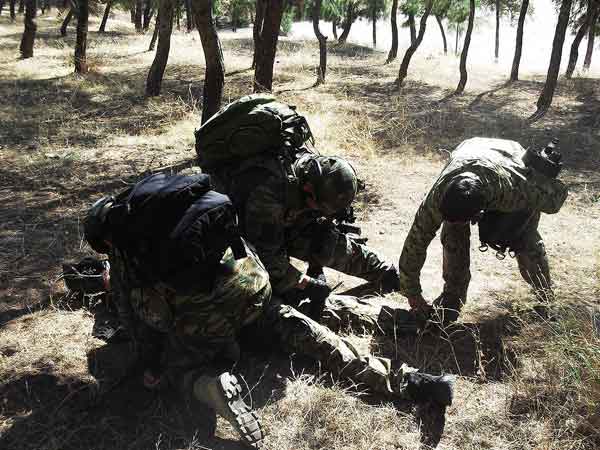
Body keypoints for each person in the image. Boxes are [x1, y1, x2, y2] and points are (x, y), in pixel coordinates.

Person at [73, 174, 455, 449]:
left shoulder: (126, 246)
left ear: (104, 238)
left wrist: (150, 362)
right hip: (253, 291)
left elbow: (135, 320)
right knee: (310, 333)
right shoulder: (174, 200)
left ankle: (210, 385)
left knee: (177, 367)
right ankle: (412, 379)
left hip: (207, 323)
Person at [398, 137, 569, 323]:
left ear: (479, 214)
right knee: (453, 234)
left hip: (508, 157)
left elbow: (557, 198)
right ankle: (452, 298)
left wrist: (539, 183)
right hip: (471, 149)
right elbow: (416, 242)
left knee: (523, 236)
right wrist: (412, 294)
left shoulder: (516, 188)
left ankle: (545, 298)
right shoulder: (436, 198)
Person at [206, 152, 401, 313]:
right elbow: (268, 258)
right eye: (320, 206)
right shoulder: (268, 193)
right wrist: (305, 283)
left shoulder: (319, 175)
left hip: (283, 227)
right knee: (274, 294)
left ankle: (388, 273)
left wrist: (317, 264)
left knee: (327, 244)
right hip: (241, 238)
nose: (322, 211)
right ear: (308, 188)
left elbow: (319, 226)